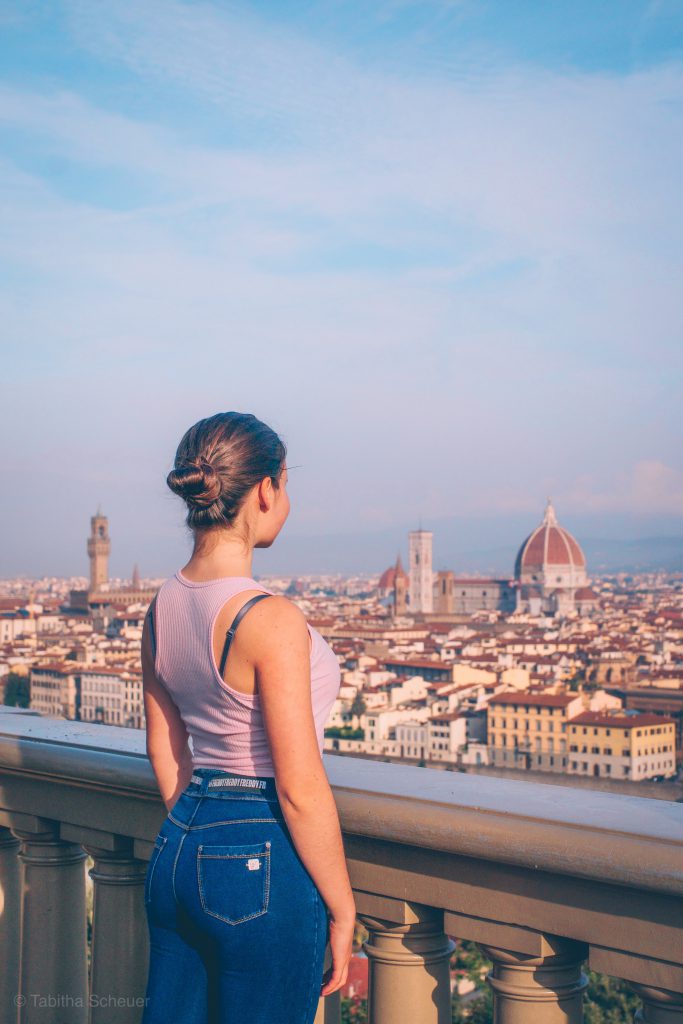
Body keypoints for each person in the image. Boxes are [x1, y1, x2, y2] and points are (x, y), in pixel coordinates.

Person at [140, 411, 356, 1024]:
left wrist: (201, 835)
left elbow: (167, 752)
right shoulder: (269, 618)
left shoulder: (160, 607)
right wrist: (342, 907)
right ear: (266, 489)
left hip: (180, 841)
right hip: (261, 852)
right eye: (286, 483)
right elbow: (299, 786)